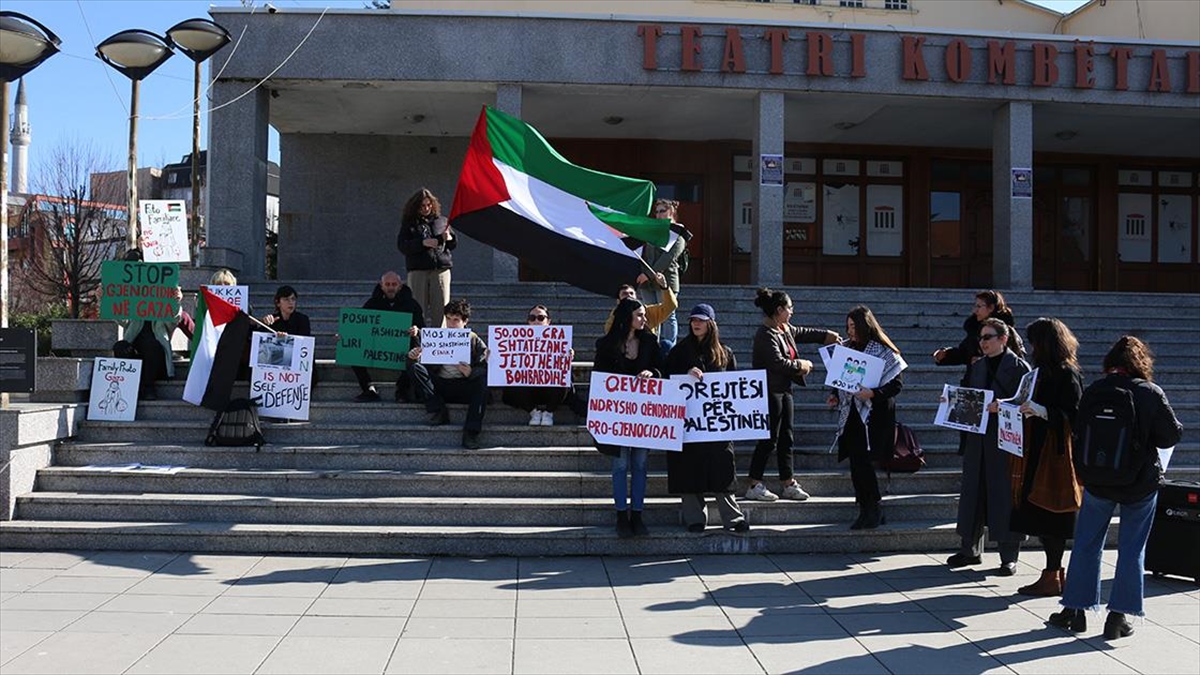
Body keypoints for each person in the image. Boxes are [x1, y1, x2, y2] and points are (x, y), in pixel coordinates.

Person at [1049, 336, 1182, 640]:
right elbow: (1169, 436)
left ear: (1111, 362)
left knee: (1086, 544)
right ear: (1141, 363)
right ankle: (1117, 618)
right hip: (1139, 483)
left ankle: (1074, 610)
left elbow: (1079, 432)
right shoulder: (1149, 392)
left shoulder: (1096, 390)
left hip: (1098, 480)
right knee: (1132, 549)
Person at [947, 317, 1031, 575]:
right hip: (977, 437)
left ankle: (1009, 556)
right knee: (973, 492)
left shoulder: (1019, 367)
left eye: (987, 337)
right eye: (980, 338)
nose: (982, 342)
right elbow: (968, 395)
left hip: (1005, 439)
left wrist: (1002, 406)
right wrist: (951, 402)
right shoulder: (978, 366)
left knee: (1005, 494)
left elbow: (1026, 403)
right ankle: (969, 549)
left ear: (1003, 339)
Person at [1010, 318, 1084, 597]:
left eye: (1034, 342)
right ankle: (1054, 573)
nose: (1030, 347)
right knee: (1040, 513)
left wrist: (1041, 411)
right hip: (1036, 449)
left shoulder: (1067, 373)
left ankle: (1053, 573)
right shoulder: (1040, 372)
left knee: (1052, 512)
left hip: (1055, 454)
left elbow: (1075, 414)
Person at [746, 287, 840, 502]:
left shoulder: (784, 329)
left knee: (786, 438)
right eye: (790, 308)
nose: (792, 312)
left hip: (784, 390)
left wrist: (827, 336)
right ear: (779, 310)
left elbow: (803, 333)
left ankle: (788, 483)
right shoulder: (765, 334)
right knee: (769, 439)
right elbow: (778, 362)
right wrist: (802, 365)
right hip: (769, 391)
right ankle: (754, 484)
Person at [664, 304, 749, 533]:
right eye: (693, 320)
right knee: (689, 470)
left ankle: (733, 518)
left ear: (711, 323)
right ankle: (695, 519)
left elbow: (734, 388)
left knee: (722, 469)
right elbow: (667, 380)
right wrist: (686, 374)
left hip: (717, 426)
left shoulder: (725, 353)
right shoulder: (679, 351)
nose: (696, 324)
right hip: (688, 426)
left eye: (701, 320)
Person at [828, 306, 905, 530]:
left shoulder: (883, 351)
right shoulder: (846, 349)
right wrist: (834, 395)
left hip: (873, 414)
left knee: (864, 461)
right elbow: (839, 379)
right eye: (848, 326)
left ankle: (873, 506)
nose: (850, 331)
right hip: (850, 412)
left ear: (865, 326)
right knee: (855, 461)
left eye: (854, 326)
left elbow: (896, 384)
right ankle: (865, 507)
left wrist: (873, 393)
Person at [593, 298, 663, 538]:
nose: (645, 319)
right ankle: (621, 515)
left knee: (641, 465)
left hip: (644, 417)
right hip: (617, 417)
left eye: (644, 315)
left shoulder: (650, 341)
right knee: (620, 465)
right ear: (627, 318)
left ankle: (638, 514)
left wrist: (652, 373)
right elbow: (599, 378)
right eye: (640, 315)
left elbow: (662, 370)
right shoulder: (606, 345)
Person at [410, 298, 489, 449]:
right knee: (413, 367)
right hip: (440, 385)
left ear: (465, 322)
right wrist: (415, 355)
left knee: (482, 381)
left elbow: (485, 364)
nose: (452, 324)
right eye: (449, 319)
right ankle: (438, 410)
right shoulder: (436, 338)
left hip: (463, 386)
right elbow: (423, 363)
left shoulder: (474, 340)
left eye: (456, 320)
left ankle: (471, 432)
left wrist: (471, 372)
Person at [345, 271, 424, 403]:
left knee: (416, 349)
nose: (391, 287)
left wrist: (417, 330)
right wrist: (346, 336)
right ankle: (368, 389)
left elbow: (423, 329)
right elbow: (359, 327)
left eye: (394, 284)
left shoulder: (412, 304)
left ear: (400, 286)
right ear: (381, 286)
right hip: (376, 346)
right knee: (351, 348)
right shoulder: (372, 303)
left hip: (403, 346)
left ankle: (402, 390)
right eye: (387, 284)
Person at [112, 285, 186, 401]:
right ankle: (131, 385)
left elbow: (174, 320)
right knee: (120, 346)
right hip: (137, 359)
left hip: (157, 361)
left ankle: (148, 388)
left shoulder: (163, 310)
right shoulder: (134, 307)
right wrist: (105, 299)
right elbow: (121, 318)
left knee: (151, 345)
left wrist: (175, 302)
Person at [636, 199, 690, 356]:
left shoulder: (679, 233)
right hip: (646, 282)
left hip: (666, 281)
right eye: (657, 212)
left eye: (662, 211)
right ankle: (651, 346)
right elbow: (644, 254)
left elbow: (669, 258)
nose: (658, 215)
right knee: (650, 315)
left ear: (671, 212)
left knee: (667, 315)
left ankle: (669, 349)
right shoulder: (652, 230)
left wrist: (648, 274)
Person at [501, 304, 571, 426]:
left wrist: (567, 357)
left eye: (540, 318)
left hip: (549, 388)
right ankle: (534, 412)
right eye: (532, 318)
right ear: (528, 321)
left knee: (565, 379)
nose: (536, 321)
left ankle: (549, 412)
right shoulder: (518, 340)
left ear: (548, 321)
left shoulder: (559, 341)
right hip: (528, 388)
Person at [397, 188, 455, 329]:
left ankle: (439, 343)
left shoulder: (442, 221)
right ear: (416, 207)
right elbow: (402, 246)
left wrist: (449, 238)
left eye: (429, 205)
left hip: (440, 270)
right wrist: (422, 243)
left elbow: (453, 244)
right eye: (422, 206)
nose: (426, 208)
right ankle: (418, 340)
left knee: (441, 308)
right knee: (418, 307)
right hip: (418, 270)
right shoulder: (409, 224)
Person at [933, 290, 1024, 369]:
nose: (975, 311)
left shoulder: (1006, 332)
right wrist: (946, 355)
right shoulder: (974, 329)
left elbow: (1013, 361)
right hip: (976, 383)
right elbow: (965, 353)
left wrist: (984, 362)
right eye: (975, 306)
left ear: (991, 308)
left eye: (979, 306)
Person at [604, 273, 677, 336]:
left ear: (636, 296)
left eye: (631, 293)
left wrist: (664, 287)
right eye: (624, 294)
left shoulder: (648, 312)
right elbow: (610, 333)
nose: (629, 296)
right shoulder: (615, 316)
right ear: (618, 301)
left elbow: (671, 306)